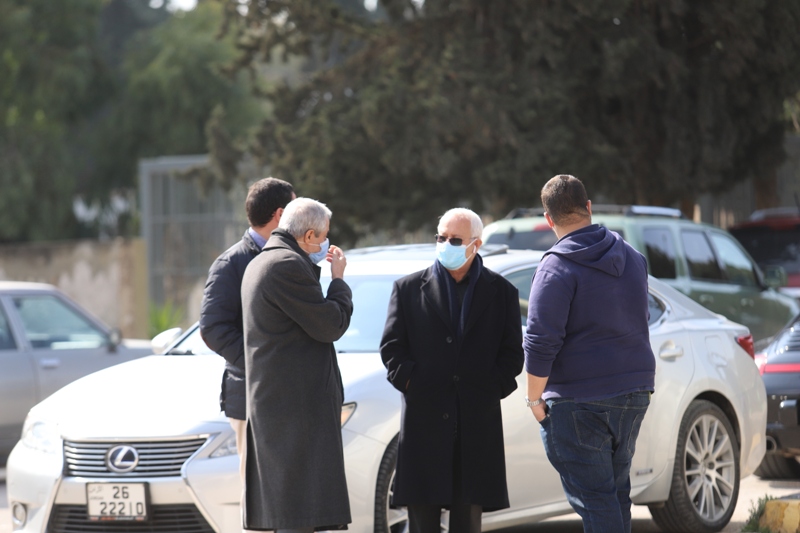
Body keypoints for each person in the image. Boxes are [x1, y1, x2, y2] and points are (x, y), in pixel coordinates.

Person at [524, 175, 656, 533]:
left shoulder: (555, 266)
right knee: (615, 496)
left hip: (579, 399)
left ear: (548, 219)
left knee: (598, 502)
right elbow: (640, 318)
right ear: (589, 207)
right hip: (634, 391)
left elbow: (540, 340)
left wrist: (533, 400)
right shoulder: (633, 257)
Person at [380, 207, 524, 533]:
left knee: (467, 521)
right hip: (424, 423)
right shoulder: (408, 288)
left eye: (455, 240)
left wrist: (490, 389)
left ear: (476, 244)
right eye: (441, 237)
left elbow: (512, 355)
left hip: (476, 425)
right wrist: (413, 382)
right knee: (422, 521)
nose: (446, 244)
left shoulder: (501, 292)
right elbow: (392, 349)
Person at [241, 197, 353, 533]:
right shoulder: (285, 265)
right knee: (296, 513)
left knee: (294, 511)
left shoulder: (267, 260)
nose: (325, 244)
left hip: (284, 408)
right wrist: (338, 280)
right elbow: (330, 324)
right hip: (293, 412)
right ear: (308, 236)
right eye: (323, 236)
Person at [199, 177, 295, 483]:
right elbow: (213, 328)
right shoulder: (231, 263)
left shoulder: (292, 257)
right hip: (252, 395)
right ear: (280, 215)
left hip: (289, 394)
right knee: (257, 491)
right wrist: (262, 362)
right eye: (295, 209)